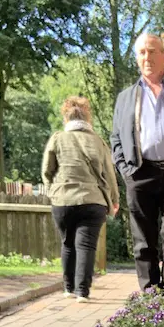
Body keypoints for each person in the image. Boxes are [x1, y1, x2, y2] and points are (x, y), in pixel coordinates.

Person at [110, 31, 164, 291]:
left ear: (163, 55)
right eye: (142, 52)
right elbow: (116, 137)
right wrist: (126, 171)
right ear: (137, 58)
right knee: (143, 238)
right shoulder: (126, 97)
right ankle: (150, 293)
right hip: (140, 172)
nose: (147, 57)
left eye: (152, 51)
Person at [41, 96, 120, 302]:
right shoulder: (98, 142)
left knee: (68, 243)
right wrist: (114, 199)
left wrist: (53, 190)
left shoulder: (57, 139)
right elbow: (109, 175)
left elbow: (47, 170)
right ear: (88, 119)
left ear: (66, 118)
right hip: (93, 201)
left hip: (63, 200)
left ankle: (68, 288)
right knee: (86, 246)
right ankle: (82, 292)